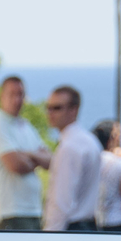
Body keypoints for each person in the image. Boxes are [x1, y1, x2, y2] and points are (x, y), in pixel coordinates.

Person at [0, 75, 49, 229]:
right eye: (12, 94)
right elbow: (16, 165)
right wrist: (36, 158)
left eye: (20, 94)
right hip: (11, 212)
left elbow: (50, 160)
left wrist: (28, 154)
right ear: (1, 96)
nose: (17, 99)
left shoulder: (26, 126)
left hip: (34, 211)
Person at [43, 86, 99, 232]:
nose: (50, 113)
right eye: (48, 107)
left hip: (71, 230)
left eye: (57, 108)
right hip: (88, 226)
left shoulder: (69, 147)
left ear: (73, 110)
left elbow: (61, 203)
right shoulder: (90, 141)